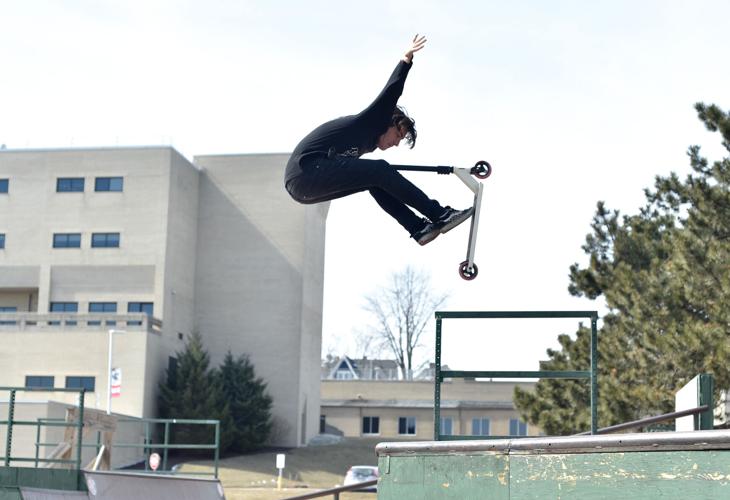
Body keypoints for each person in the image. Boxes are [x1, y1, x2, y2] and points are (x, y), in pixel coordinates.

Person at [284, 35, 473, 246]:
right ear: (388, 123)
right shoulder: (372, 121)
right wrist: (406, 60)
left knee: (375, 180)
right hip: (305, 171)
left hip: (304, 189)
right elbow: (392, 92)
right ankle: (439, 214)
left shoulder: (367, 143)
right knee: (380, 170)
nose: (397, 143)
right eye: (398, 135)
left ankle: (418, 228)